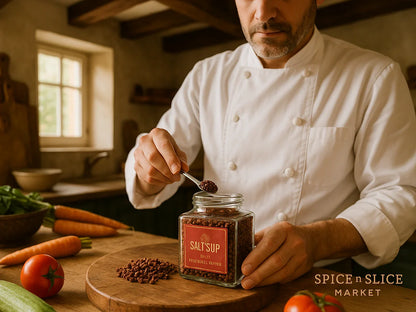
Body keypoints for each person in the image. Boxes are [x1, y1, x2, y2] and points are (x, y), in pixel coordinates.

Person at [125, 0, 416, 290]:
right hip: (213, 271)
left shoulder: (374, 76)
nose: (263, 13)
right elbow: (155, 160)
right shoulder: (207, 75)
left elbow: (399, 192)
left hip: (318, 280)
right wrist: (150, 167)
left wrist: (319, 240)